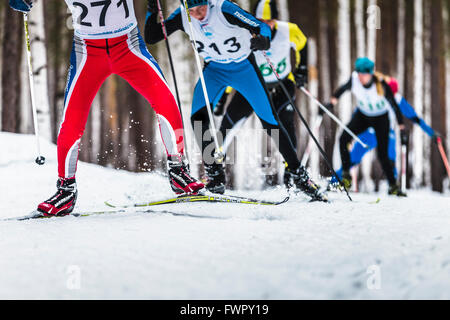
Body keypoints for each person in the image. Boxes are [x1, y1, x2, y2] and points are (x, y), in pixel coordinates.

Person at [9, 0, 204, 216]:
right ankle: (65, 189)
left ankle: (178, 171)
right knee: (72, 121)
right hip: (87, 52)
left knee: (166, 101)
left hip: (128, 46)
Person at [145, 0, 326, 201]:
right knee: (198, 119)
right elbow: (152, 36)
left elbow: (261, 26)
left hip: (243, 69)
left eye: (202, 8)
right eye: (193, 11)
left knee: (270, 121)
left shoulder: (224, 9)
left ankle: (299, 175)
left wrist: (263, 40)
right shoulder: (182, 15)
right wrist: (152, 11)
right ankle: (215, 175)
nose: (198, 15)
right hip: (214, 70)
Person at [213, 0, 308, 189]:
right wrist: (224, 95)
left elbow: (303, 45)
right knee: (226, 125)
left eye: (269, 20)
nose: (264, 24)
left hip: (282, 84)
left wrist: (301, 69)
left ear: (275, 19)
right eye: (259, 20)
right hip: (253, 86)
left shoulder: (289, 30)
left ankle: (293, 173)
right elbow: (234, 67)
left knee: (284, 125)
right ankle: (212, 169)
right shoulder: (243, 33)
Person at [329, 76, 439, 186]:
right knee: (353, 159)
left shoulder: (397, 99)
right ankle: (334, 181)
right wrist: (353, 133)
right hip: (370, 133)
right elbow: (359, 113)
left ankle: (394, 187)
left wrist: (431, 133)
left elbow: (415, 118)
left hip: (386, 133)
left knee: (390, 160)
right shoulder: (375, 95)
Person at [325, 57, 407, 196]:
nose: (362, 77)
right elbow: (341, 90)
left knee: (383, 154)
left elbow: (394, 105)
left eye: (365, 74)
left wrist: (401, 128)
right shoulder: (354, 80)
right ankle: (345, 175)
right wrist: (331, 103)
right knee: (343, 138)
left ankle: (393, 186)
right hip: (363, 116)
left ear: (371, 73)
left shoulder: (381, 85)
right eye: (360, 74)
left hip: (381, 119)